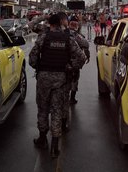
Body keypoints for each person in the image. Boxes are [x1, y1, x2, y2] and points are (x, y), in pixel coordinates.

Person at [29, 14, 86, 158]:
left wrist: (39, 67)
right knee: (57, 110)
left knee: (43, 109)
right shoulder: (69, 39)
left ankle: (43, 138)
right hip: (61, 79)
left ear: (49, 24)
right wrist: (71, 67)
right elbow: (81, 57)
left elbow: (32, 58)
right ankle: (55, 144)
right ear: (61, 24)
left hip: (44, 79)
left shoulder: (43, 37)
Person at [68, 16, 90, 105]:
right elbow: (85, 44)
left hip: (62, 63)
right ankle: (72, 98)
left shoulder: (63, 33)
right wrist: (87, 56)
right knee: (74, 80)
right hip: (74, 63)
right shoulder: (77, 35)